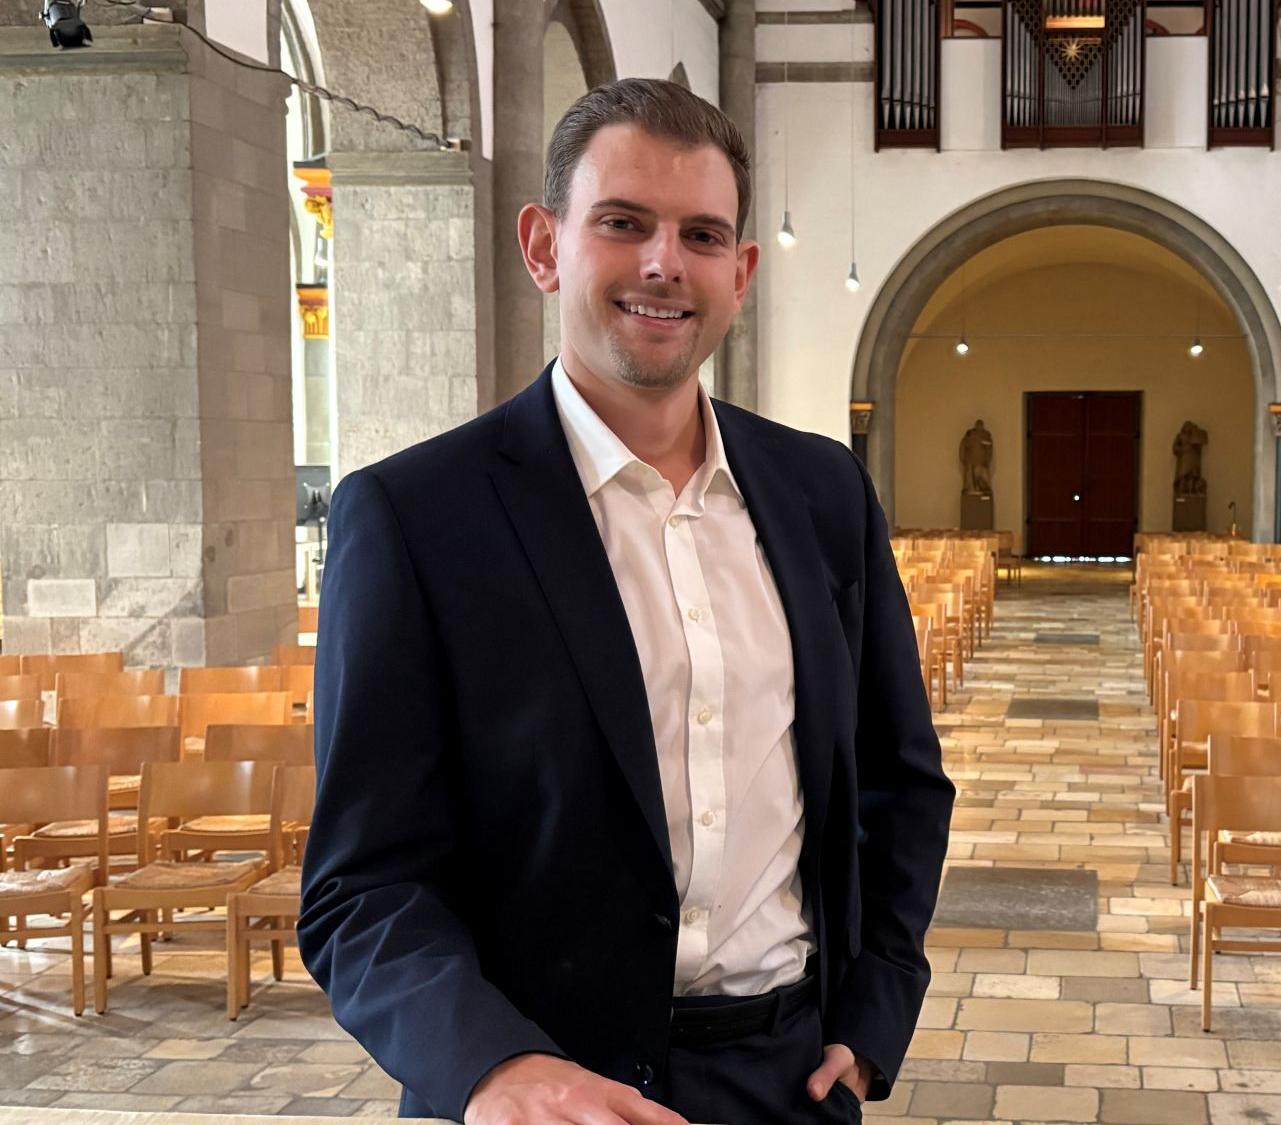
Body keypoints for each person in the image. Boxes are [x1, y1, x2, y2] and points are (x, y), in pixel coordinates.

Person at [299, 78, 955, 1125]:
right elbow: (361, 888)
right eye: (622, 223)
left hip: (789, 1079)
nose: (664, 263)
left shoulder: (822, 493)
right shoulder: (415, 516)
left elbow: (899, 779)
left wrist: (874, 1013)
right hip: (546, 1091)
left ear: (739, 273)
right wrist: (491, 1066)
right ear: (544, 245)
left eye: (701, 235)